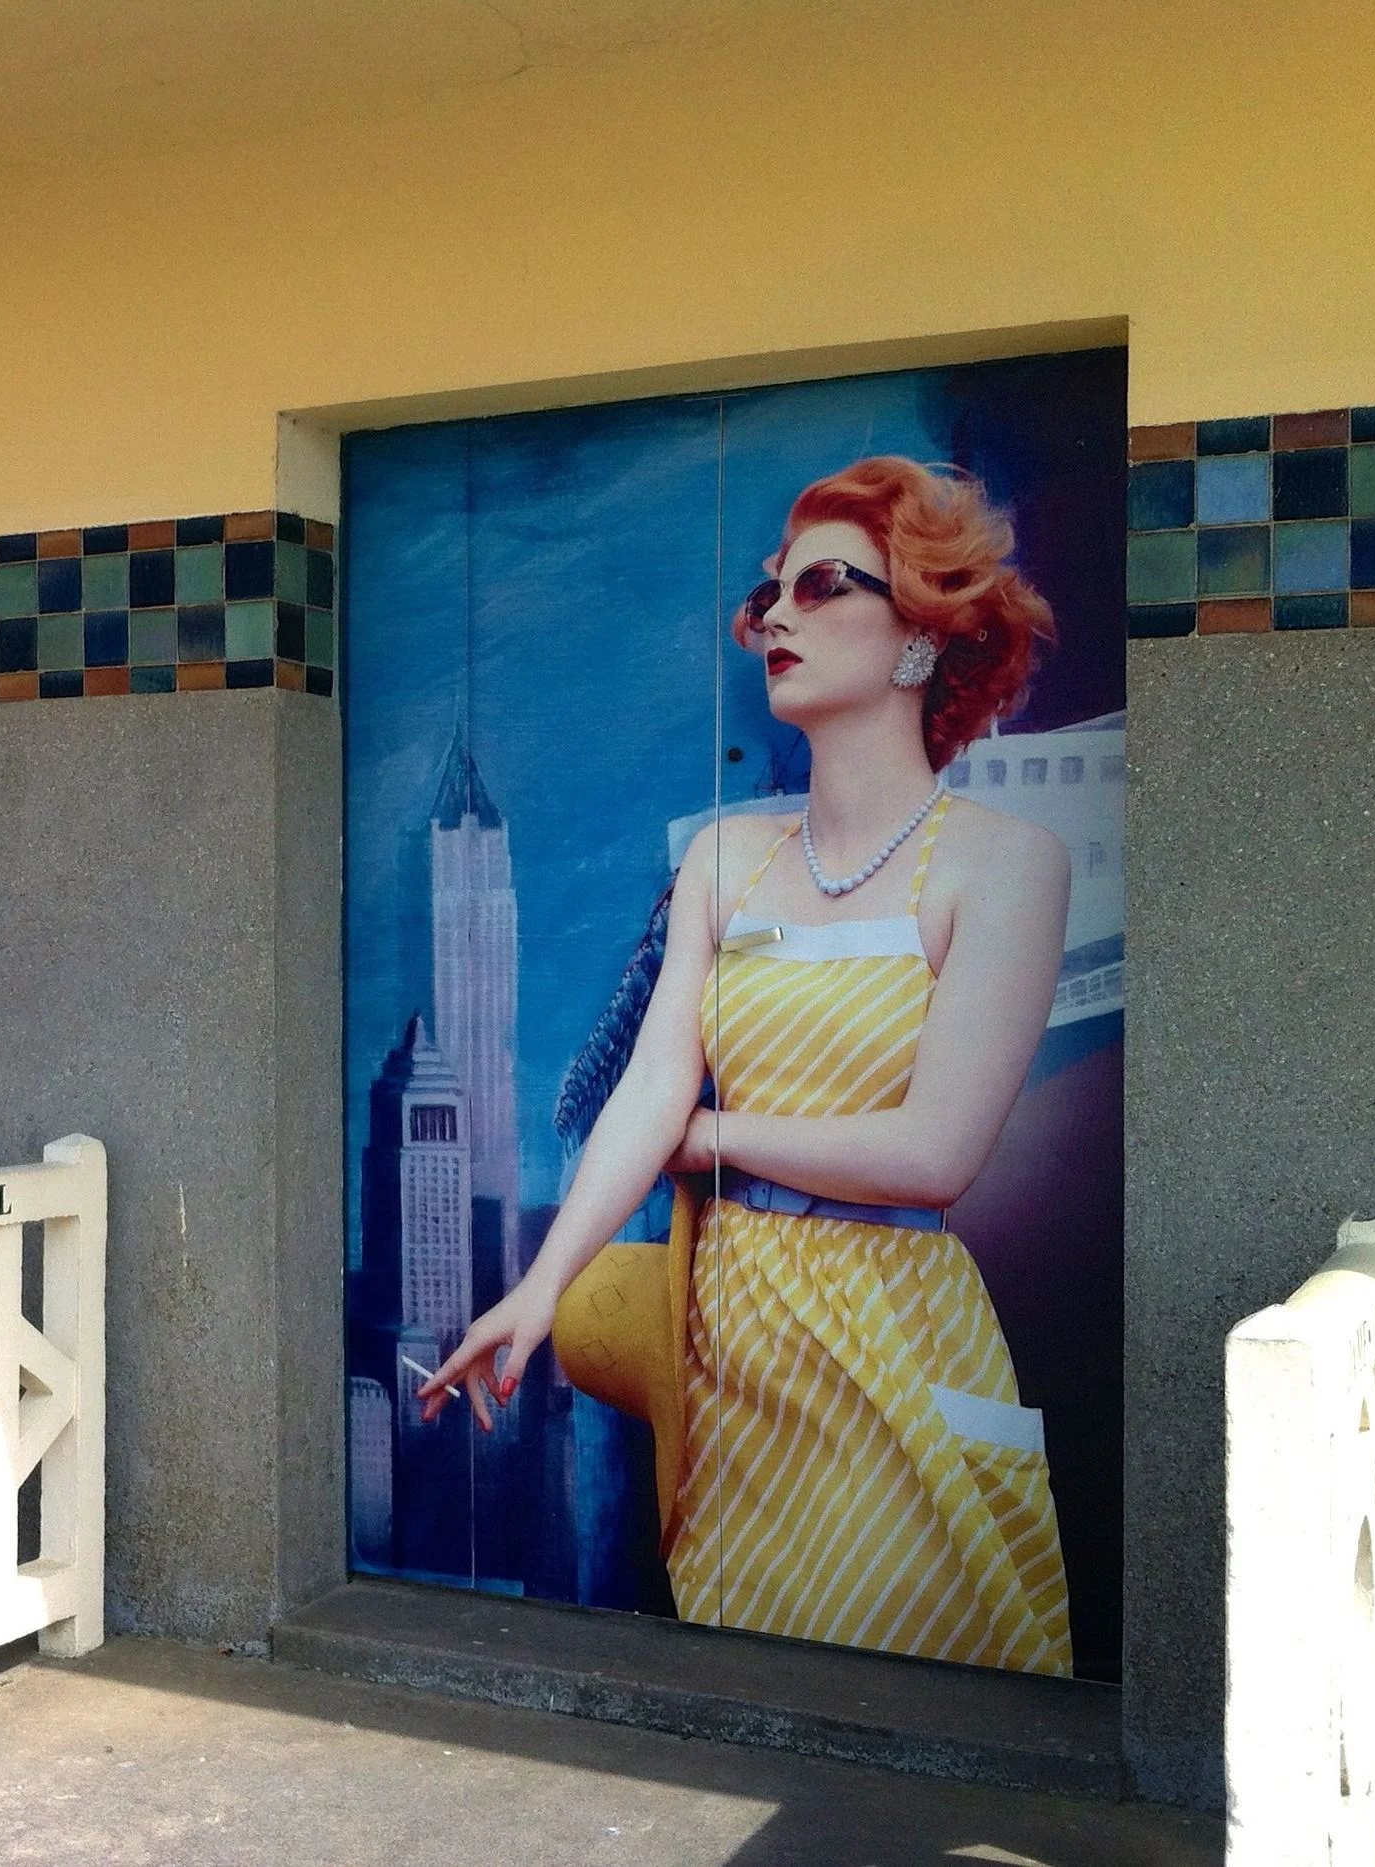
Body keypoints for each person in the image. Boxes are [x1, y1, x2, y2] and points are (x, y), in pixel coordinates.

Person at [419, 457, 1075, 1676]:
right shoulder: (726, 859)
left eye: (823, 584)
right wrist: (539, 1287)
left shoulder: (1006, 865)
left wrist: (717, 1141)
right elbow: (649, 1090)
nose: (775, 613)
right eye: (767, 591)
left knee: (916, 1705)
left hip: (897, 1346)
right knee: (754, 1692)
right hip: (733, 1350)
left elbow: (936, 1151)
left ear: (921, 636)